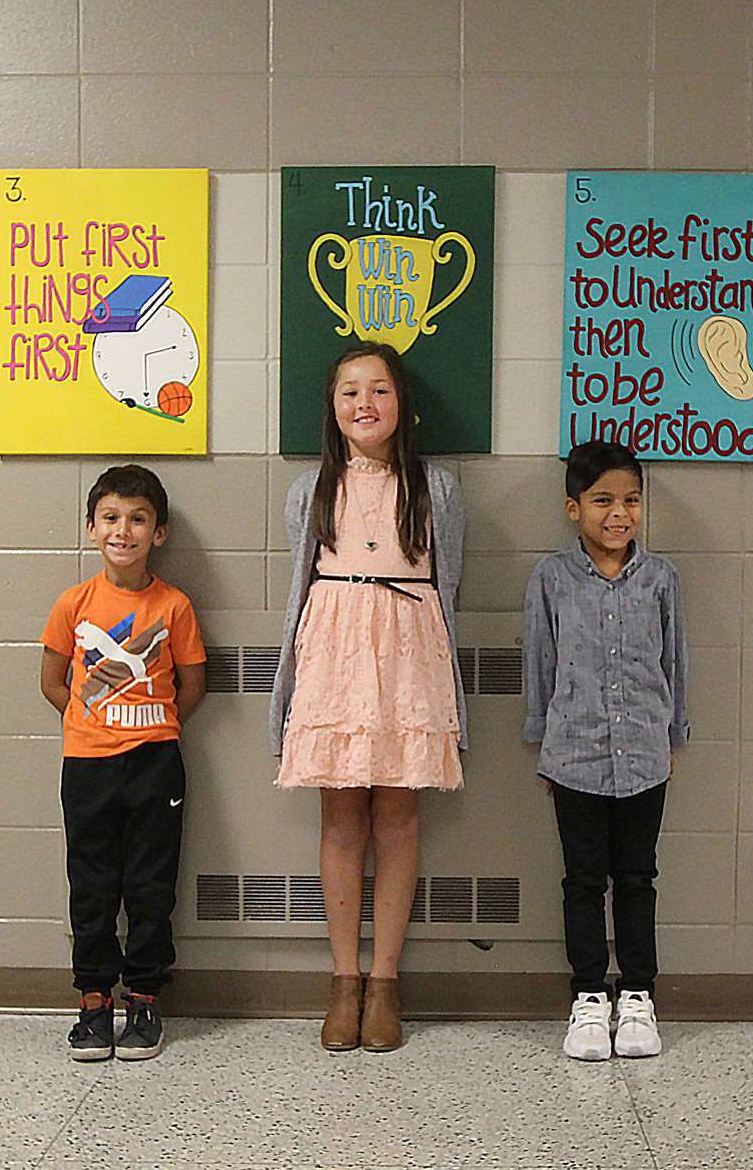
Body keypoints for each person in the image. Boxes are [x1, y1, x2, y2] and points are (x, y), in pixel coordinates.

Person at [271, 340, 466, 1054]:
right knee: (341, 813)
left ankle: (385, 981)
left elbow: (452, 580)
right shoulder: (310, 490)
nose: (364, 404)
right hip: (334, 646)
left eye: (379, 390)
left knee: (398, 812)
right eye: (350, 391)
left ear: (402, 403)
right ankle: (343, 980)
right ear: (332, 406)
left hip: (409, 645)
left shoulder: (435, 487)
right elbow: (301, 578)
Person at [522, 440, 688, 1061]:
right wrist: (543, 742)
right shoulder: (551, 578)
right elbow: (539, 662)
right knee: (583, 880)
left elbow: (677, 662)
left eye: (631, 500)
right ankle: (590, 996)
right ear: (573, 508)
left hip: (646, 754)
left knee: (638, 876)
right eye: (603, 501)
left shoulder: (662, 578)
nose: (619, 513)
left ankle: (638, 994)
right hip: (573, 755)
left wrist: (673, 735)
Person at [41, 464, 205, 1063]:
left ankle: (143, 998)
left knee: (149, 885)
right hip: (86, 765)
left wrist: (147, 726)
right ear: (92, 527)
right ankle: (93, 1001)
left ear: (158, 533)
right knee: (91, 886)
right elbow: (52, 683)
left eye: (138, 519)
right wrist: (94, 721)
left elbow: (192, 687)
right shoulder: (73, 603)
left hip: (155, 763)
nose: (124, 530)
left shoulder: (174, 607)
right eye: (111, 518)